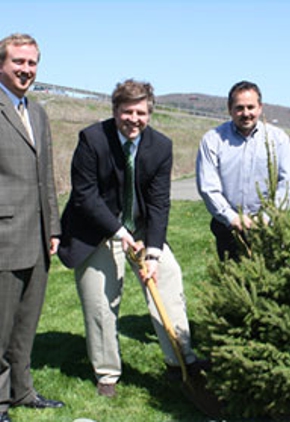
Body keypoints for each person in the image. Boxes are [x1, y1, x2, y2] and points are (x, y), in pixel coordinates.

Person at [58, 79, 206, 398]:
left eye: (140, 112)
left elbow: (158, 202)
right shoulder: (92, 139)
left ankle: (180, 359)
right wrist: (120, 233)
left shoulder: (161, 146)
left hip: (140, 231)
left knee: (168, 280)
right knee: (100, 301)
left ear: (149, 113)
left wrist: (152, 253)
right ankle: (107, 373)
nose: (133, 119)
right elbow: (85, 196)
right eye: (127, 112)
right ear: (115, 111)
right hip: (95, 230)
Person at [0, 33, 64, 422]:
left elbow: (46, 176)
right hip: (4, 235)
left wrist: (53, 228)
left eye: (32, 63)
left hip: (38, 237)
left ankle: (23, 391)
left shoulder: (36, 112)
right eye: (18, 62)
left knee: (27, 324)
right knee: (0, 326)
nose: (26, 70)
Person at [196, 80, 290, 261]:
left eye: (251, 107)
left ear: (260, 107)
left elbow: (288, 181)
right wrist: (231, 218)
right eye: (239, 108)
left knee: (269, 287)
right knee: (232, 284)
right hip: (228, 229)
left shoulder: (278, 139)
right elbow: (207, 186)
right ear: (230, 109)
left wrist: (268, 217)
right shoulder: (213, 140)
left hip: (269, 228)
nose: (246, 113)